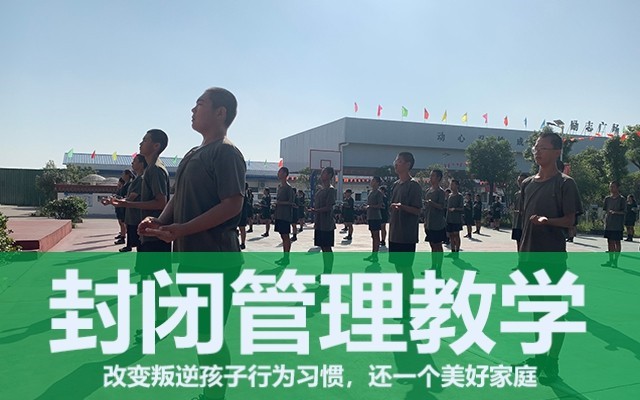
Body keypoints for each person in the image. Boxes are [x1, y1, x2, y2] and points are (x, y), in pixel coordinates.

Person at [139, 87, 245, 400]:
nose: (193, 109)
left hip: (216, 260)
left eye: (200, 104)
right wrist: (160, 220)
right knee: (201, 333)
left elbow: (233, 204)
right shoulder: (192, 153)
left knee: (208, 335)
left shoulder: (226, 152)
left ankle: (214, 395)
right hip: (191, 258)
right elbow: (177, 197)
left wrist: (183, 228)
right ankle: (211, 392)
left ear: (220, 113)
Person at [517, 129, 581, 383]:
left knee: (553, 310)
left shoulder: (565, 183)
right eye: (536, 147)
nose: (537, 151)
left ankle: (552, 361)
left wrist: (548, 221)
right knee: (537, 308)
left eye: (542, 147)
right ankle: (539, 356)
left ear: (557, 152)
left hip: (552, 257)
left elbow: (570, 220)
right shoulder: (527, 184)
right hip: (528, 256)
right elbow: (523, 222)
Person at [112, 129, 171, 346]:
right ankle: (158, 323)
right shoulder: (151, 170)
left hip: (155, 235)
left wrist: (128, 204)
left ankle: (160, 325)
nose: (140, 143)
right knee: (155, 282)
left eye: (145, 140)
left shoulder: (155, 170)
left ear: (156, 145)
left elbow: (161, 203)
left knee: (158, 283)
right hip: (150, 234)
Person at [388, 152, 422, 319]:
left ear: (408, 164)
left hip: (406, 235)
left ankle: (407, 305)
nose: (396, 164)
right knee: (398, 269)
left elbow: (417, 210)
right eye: (396, 160)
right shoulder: (395, 185)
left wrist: (402, 207)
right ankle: (401, 301)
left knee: (406, 270)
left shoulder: (413, 186)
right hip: (394, 233)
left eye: (400, 161)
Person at [309, 167, 337, 279]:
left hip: (327, 223)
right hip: (320, 222)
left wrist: (316, 210)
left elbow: (329, 207)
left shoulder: (331, 190)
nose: (322, 175)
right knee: (323, 247)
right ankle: (325, 271)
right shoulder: (321, 190)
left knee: (327, 248)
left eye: (324, 173)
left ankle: (328, 272)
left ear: (329, 175)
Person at [118, 156, 147, 252]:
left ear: (141, 164)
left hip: (136, 217)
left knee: (140, 245)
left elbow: (131, 198)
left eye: (135, 161)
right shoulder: (137, 179)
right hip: (131, 216)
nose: (132, 163)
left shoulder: (141, 179)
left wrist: (117, 202)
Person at [424, 169, 447, 277]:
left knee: (438, 245)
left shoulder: (440, 192)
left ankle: (439, 267)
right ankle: (433, 266)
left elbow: (442, 206)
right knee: (432, 245)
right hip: (429, 222)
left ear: (438, 178)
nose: (431, 177)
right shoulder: (428, 190)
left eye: (433, 176)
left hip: (438, 223)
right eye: (430, 175)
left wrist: (432, 203)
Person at [274, 166, 296, 265]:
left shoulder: (288, 188)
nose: (278, 173)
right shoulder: (280, 187)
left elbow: (291, 202)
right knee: (282, 236)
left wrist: (280, 203)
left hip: (285, 215)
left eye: (280, 172)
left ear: (285, 174)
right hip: (279, 214)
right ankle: (284, 257)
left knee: (286, 236)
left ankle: (286, 258)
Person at [602, 181, 625, 267]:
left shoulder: (622, 199)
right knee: (609, 241)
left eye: (613, 187)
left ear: (617, 188)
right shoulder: (607, 199)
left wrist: (615, 212)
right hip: (609, 224)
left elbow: (624, 212)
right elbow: (605, 210)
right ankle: (610, 260)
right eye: (610, 187)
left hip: (617, 224)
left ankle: (616, 260)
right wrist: (603, 218)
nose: (611, 188)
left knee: (617, 242)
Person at [363, 176, 384, 262]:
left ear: (377, 183)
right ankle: (373, 254)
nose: (371, 182)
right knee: (373, 236)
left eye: (373, 181)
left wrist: (370, 206)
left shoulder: (378, 193)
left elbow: (380, 205)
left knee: (376, 236)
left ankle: (375, 256)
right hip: (370, 216)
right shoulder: (371, 192)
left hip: (376, 217)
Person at [445, 179, 464, 256]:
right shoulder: (449, 196)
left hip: (456, 219)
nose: (451, 186)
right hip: (449, 218)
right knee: (451, 235)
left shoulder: (460, 196)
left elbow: (462, 208)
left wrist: (455, 209)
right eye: (451, 184)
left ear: (457, 185)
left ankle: (457, 251)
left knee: (456, 234)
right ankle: (452, 251)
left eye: (453, 184)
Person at [512, 173, 529, 250]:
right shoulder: (517, 194)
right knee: (518, 241)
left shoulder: (529, 193)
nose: (520, 182)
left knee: (526, 242)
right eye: (518, 181)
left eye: (522, 180)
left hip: (526, 223)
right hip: (517, 222)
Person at [238, 183, 252, 249]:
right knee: (242, 229)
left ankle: (243, 243)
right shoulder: (246, 194)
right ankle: (242, 243)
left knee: (242, 228)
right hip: (242, 213)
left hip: (241, 213)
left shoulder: (243, 194)